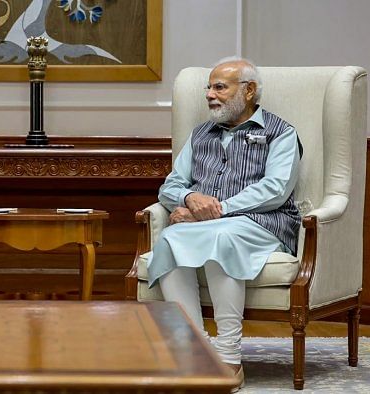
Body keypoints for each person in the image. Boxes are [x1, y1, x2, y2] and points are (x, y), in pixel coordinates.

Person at [146, 57, 302, 392]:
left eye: (220, 87)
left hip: (265, 223)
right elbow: (171, 185)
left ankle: (230, 354)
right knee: (171, 239)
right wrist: (190, 201)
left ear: (249, 91)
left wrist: (217, 210)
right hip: (207, 224)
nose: (210, 95)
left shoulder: (281, 133)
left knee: (222, 236)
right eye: (209, 87)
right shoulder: (200, 133)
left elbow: (275, 189)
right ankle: (195, 348)